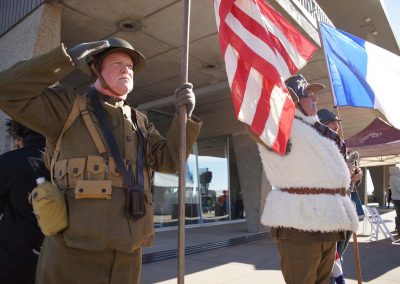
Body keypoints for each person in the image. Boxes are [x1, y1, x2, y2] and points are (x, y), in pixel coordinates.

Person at [0, 38, 202, 283]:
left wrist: (184, 118)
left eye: (129, 66)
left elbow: (170, 161)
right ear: (95, 68)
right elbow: (8, 90)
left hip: (128, 254)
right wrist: (65, 59)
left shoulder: (139, 121)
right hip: (73, 255)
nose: (126, 69)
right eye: (117, 63)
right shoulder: (67, 106)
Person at [256, 74, 360, 284]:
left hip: (329, 224)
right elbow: (257, 125)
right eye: (308, 94)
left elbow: (324, 174)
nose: (315, 98)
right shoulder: (283, 129)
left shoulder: (321, 133)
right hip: (300, 226)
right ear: (293, 100)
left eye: (314, 94)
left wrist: (350, 174)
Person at [0, 120, 49, 284]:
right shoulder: (67, 165)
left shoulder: (9, 162)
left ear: (20, 136)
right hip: (54, 266)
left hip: (11, 264)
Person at [318, 108, 363, 284]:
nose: (337, 125)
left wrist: (356, 173)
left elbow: (352, 173)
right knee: (330, 257)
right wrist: (345, 170)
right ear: (322, 125)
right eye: (332, 122)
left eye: (337, 122)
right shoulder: (319, 147)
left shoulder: (340, 145)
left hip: (345, 207)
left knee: (339, 253)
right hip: (329, 209)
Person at [389, 166, 400, 235]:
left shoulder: (394, 177)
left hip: (396, 199)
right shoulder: (394, 178)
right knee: (399, 215)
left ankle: (398, 230)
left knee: (398, 215)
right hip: (398, 199)